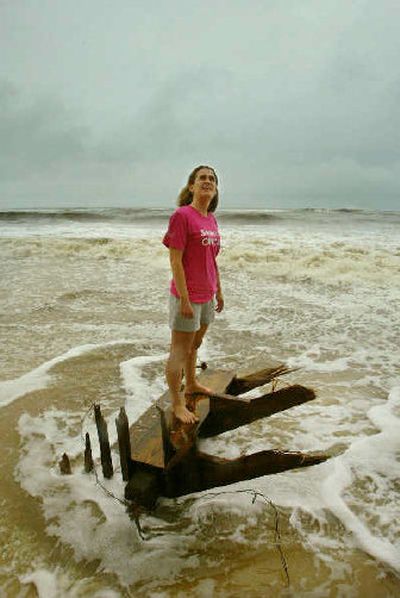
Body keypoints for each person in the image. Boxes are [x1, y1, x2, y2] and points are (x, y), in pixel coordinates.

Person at [162, 165, 224, 423]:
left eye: (212, 179)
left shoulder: (210, 218)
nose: (207, 182)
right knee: (179, 349)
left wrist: (219, 290)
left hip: (207, 294)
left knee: (194, 345)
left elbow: (212, 259)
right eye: (202, 178)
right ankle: (177, 403)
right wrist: (185, 299)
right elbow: (175, 261)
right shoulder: (182, 216)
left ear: (215, 188)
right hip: (186, 296)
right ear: (191, 186)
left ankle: (192, 384)